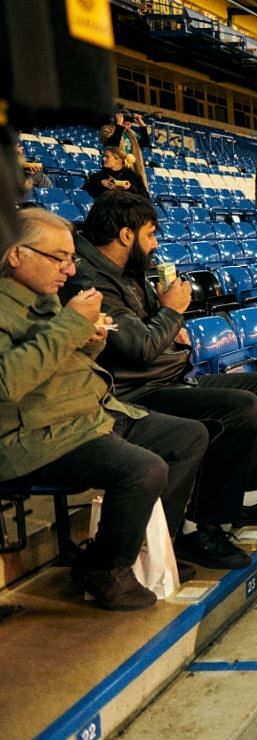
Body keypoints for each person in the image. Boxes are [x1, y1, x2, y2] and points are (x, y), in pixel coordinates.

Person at [67, 193, 257, 571]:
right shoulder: (92, 282)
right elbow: (139, 348)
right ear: (126, 235)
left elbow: (150, 333)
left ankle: (246, 499)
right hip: (135, 394)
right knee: (241, 408)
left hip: (169, 378)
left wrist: (169, 323)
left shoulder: (127, 272)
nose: (157, 242)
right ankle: (203, 527)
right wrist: (170, 312)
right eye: (151, 233)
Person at [1, 209, 208, 609]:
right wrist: (72, 327)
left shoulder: (44, 298)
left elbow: (63, 360)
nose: (68, 268)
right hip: (33, 436)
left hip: (84, 415)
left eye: (70, 258)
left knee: (188, 435)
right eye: (57, 257)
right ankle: (103, 566)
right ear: (15, 254)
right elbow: (9, 382)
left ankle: (154, 544)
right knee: (143, 469)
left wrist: (91, 338)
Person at [83, 148, 148, 200]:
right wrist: (100, 184)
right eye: (104, 156)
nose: (103, 159)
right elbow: (85, 191)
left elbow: (145, 197)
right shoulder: (99, 176)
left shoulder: (133, 177)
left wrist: (130, 188)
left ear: (118, 160)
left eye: (107, 157)